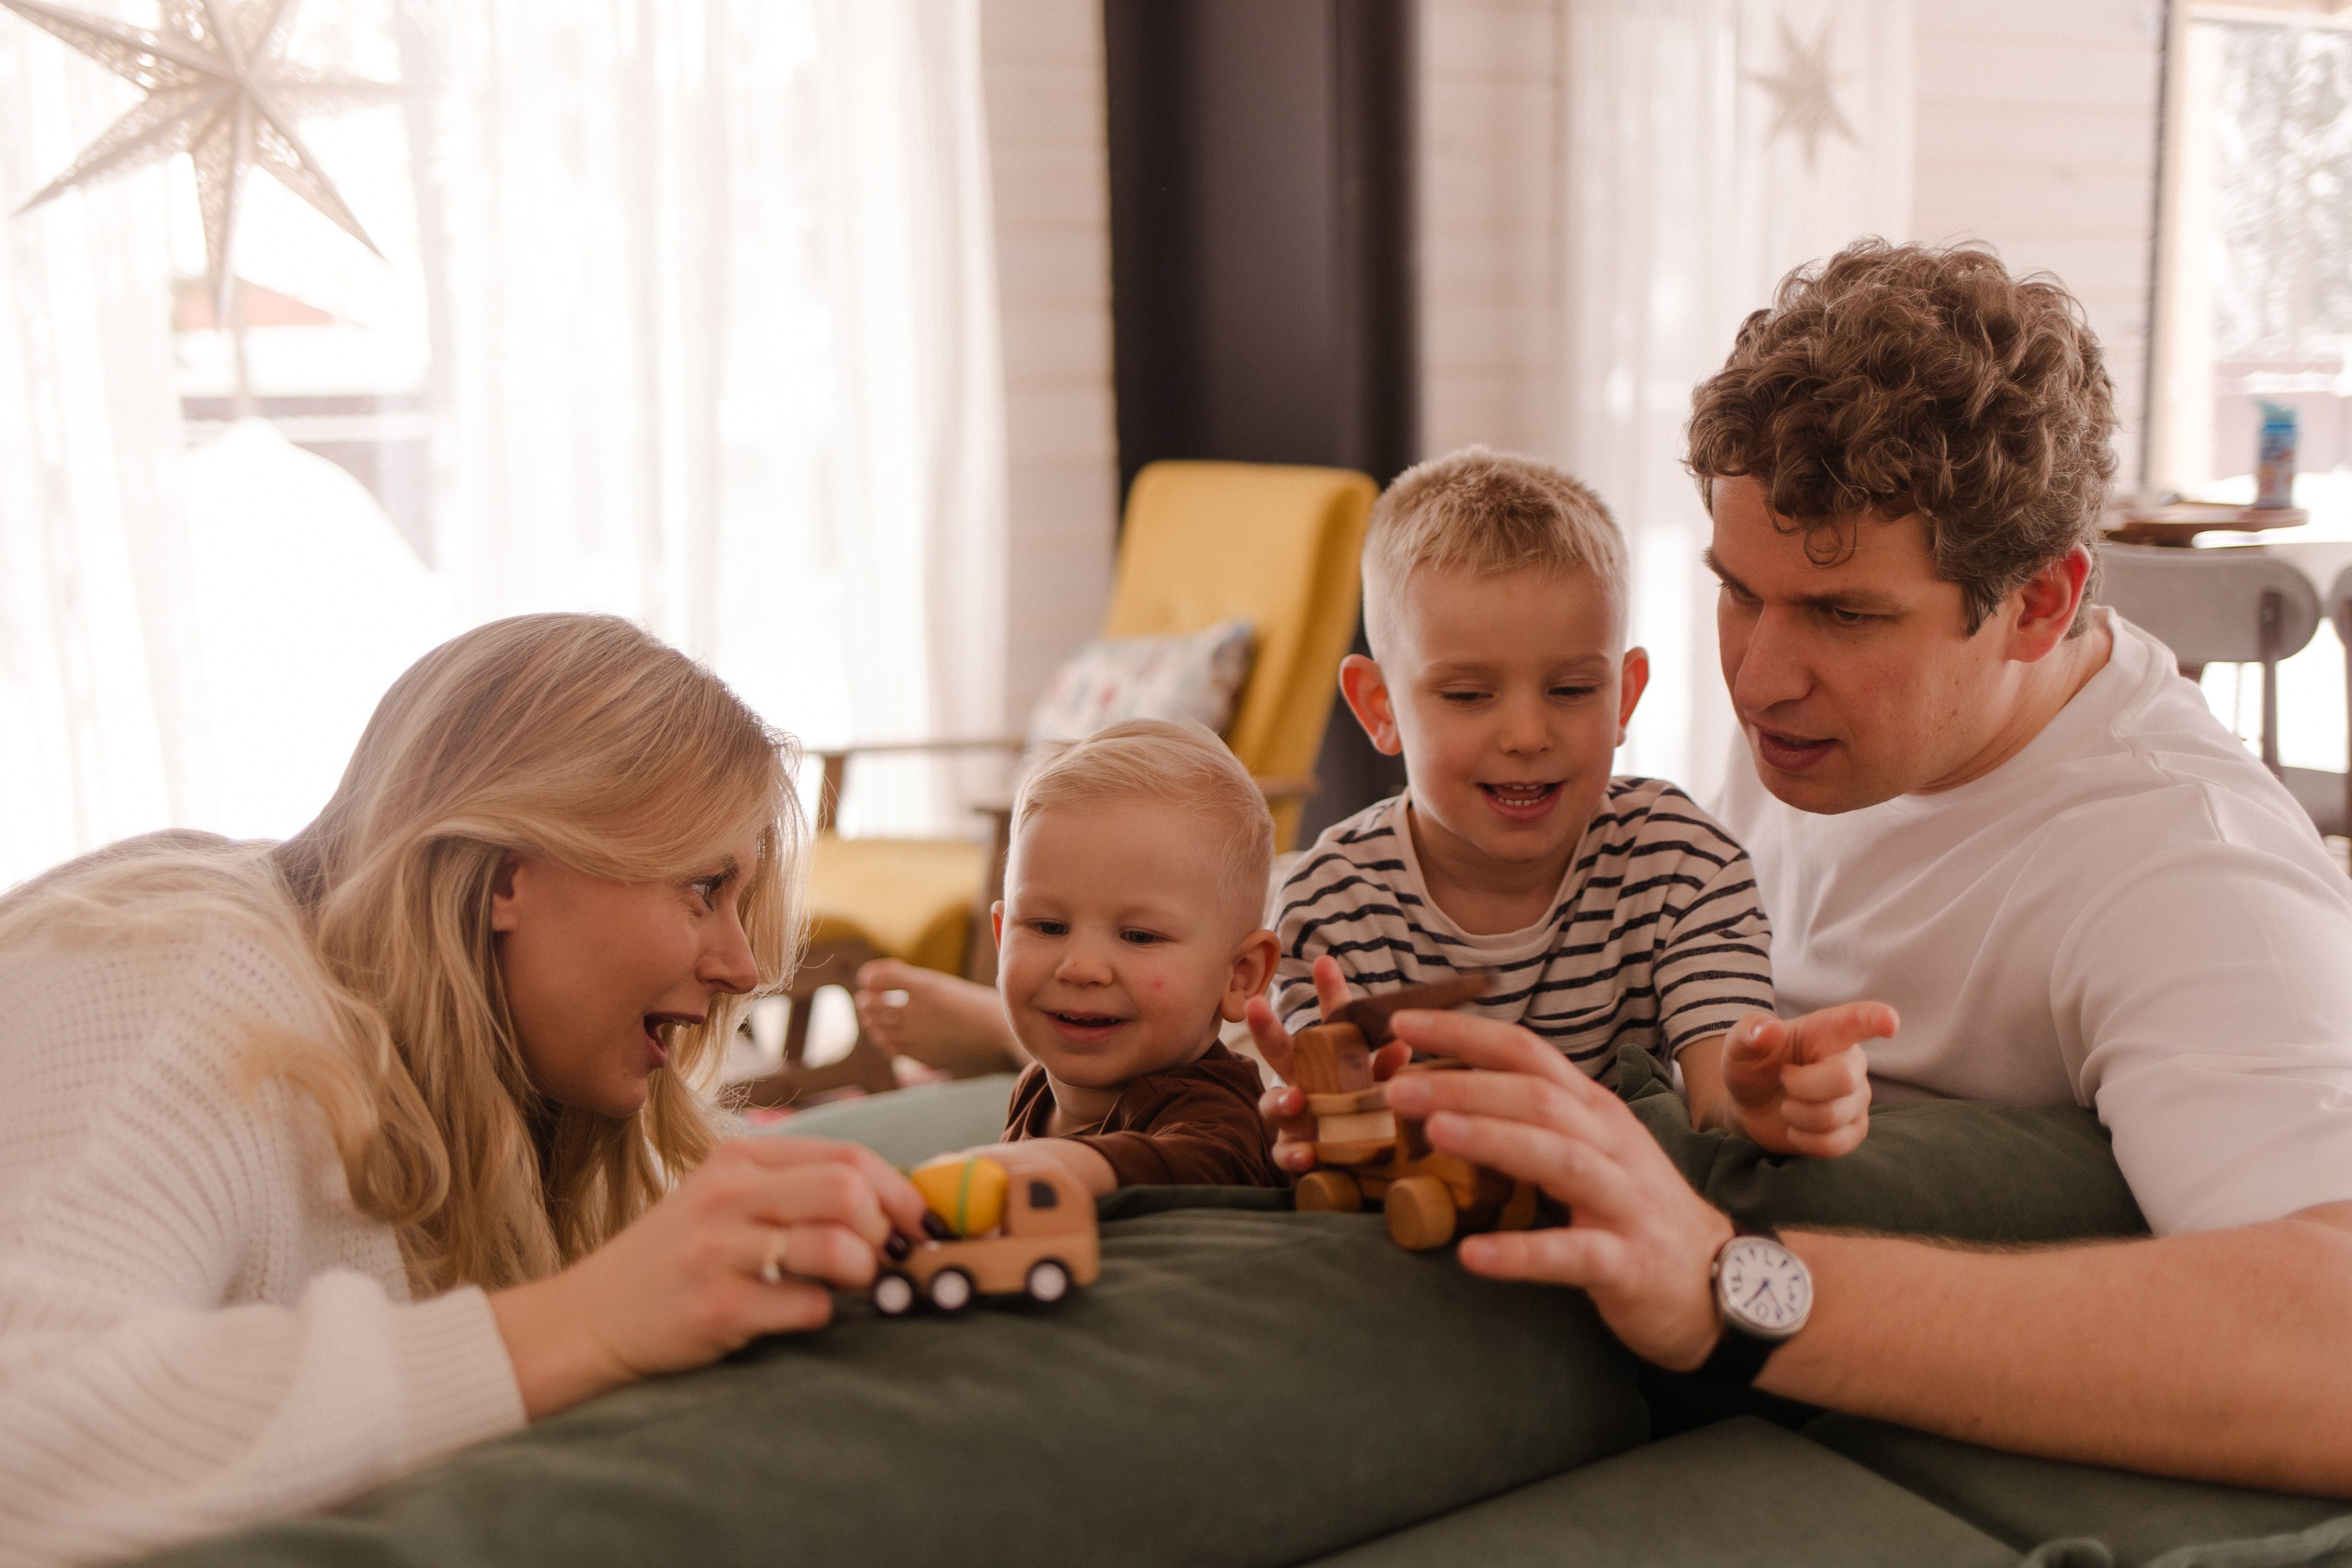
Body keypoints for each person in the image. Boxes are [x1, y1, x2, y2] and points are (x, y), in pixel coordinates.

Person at [1277, 242, 2352, 1495]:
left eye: (1845, 615)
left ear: (2041, 603)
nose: (1757, 677)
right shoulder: (1811, 734)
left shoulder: (2188, 880)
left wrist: (1731, 1284)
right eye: (1740, 593)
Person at [0, 614, 929, 1564]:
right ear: (507, 877)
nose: (742, 964)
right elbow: (23, 1421)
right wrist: (587, 1324)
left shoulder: (486, 1063)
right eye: (702, 888)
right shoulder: (172, 973)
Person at [1261, 447, 1887, 1155]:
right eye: (1468, 695)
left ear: (1626, 695)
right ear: (1380, 707)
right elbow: (1330, 1128)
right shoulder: (1330, 903)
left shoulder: (1681, 865)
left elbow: (1727, 1096)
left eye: (1571, 690)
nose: (1529, 736)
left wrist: (1773, 1104)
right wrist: (1319, 1120)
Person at [946, 720, 1285, 1192]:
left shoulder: (1221, 1115)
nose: (1080, 967)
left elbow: (1192, 1167)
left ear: (1240, 977)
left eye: (1139, 936)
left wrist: (1053, 1168)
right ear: (1003, 940)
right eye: (1048, 927)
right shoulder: (1037, 1087)